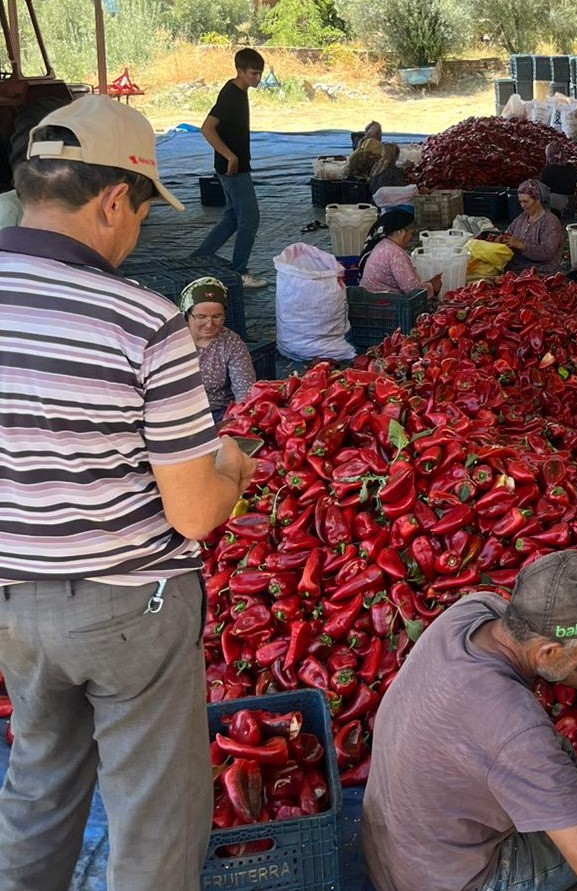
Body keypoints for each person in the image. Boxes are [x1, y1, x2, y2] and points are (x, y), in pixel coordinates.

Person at [0, 95, 258, 891]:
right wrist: (236, 469)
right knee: (153, 814)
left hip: (15, 604)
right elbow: (193, 511)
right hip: (130, 609)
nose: (137, 233)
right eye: (142, 213)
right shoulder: (142, 320)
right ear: (115, 199)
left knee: (37, 789)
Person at [362, 550, 577, 891]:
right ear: (548, 652)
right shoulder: (515, 729)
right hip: (457, 880)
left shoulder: (477, 612)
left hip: (399, 850)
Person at [194, 47, 267, 289]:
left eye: (259, 74)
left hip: (236, 164)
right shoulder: (230, 95)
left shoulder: (240, 91)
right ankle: (239, 272)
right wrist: (230, 157)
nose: (257, 78)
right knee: (250, 219)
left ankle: (199, 257)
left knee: (233, 218)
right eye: (253, 74)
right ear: (240, 71)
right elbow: (207, 128)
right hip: (234, 169)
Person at [179, 276, 256, 423]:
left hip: (217, 414)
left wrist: (238, 418)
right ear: (187, 314)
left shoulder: (231, 342)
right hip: (176, 412)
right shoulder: (171, 341)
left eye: (217, 316)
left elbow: (244, 389)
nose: (209, 324)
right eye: (201, 316)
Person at [358, 207, 442, 299]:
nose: (411, 237)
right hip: (386, 305)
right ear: (401, 232)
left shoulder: (383, 244)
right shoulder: (395, 253)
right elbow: (412, 291)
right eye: (411, 233)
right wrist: (432, 286)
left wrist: (428, 283)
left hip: (372, 300)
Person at [503, 179, 565, 275]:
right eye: (520, 202)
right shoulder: (521, 218)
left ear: (537, 200)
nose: (523, 205)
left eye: (526, 201)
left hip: (541, 273)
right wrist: (502, 239)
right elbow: (508, 233)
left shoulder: (550, 222)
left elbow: (547, 252)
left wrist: (522, 246)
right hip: (517, 270)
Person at [540, 142, 577, 217]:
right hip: (571, 204)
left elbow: (542, 190)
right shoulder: (571, 168)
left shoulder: (547, 170)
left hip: (556, 207)